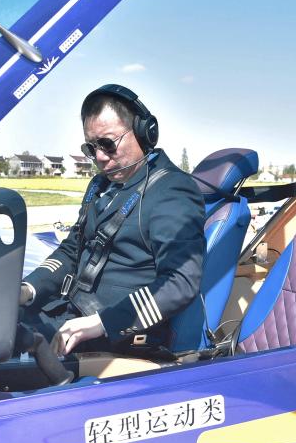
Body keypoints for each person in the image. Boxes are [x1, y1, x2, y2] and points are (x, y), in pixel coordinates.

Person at [19, 84, 205, 357]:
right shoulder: (101, 185)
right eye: (91, 147)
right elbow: (72, 250)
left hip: (121, 334)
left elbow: (180, 281)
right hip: (73, 312)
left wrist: (103, 322)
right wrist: (28, 289)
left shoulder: (173, 191)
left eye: (108, 144)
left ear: (143, 132)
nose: (100, 157)